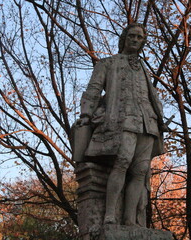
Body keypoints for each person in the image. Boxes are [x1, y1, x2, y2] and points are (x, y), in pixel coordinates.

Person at [78, 23, 167, 226]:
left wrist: (159, 119)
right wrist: (86, 114)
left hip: (148, 123)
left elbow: (152, 97)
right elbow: (93, 89)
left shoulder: (144, 70)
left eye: (139, 38)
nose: (135, 40)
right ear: (124, 38)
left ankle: (130, 220)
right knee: (122, 162)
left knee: (140, 171)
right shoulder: (108, 63)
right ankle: (110, 214)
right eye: (132, 36)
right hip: (121, 120)